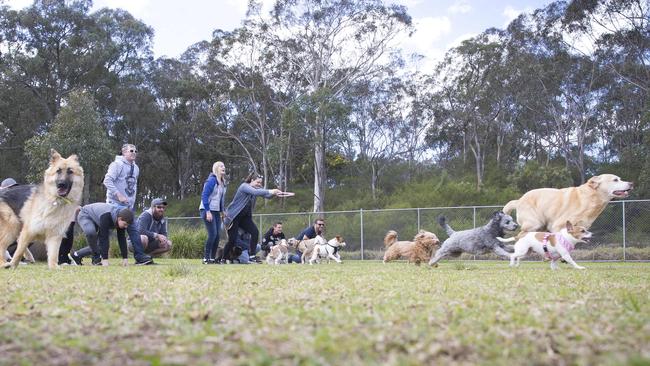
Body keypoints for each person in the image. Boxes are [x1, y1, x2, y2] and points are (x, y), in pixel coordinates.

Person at [103, 143, 153, 265]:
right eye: (131, 151)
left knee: (133, 230)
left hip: (128, 206)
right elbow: (107, 180)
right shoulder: (116, 165)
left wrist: (131, 202)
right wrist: (118, 195)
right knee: (105, 232)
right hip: (114, 204)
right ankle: (96, 256)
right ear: (124, 152)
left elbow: (133, 187)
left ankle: (140, 257)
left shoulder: (136, 168)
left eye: (136, 151)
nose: (134, 153)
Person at [219, 172, 281, 264]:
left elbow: (266, 195)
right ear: (251, 180)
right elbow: (256, 192)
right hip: (233, 217)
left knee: (255, 232)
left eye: (260, 183)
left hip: (245, 218)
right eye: (258, 182)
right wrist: (271, 191)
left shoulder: (257, 188)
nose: (259, 185)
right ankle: (223, 259)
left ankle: (252, 256)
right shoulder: (244, 186)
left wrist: (275, 194)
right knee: (232, 240)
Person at [69, 203, 134, 266]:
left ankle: (76, 255)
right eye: (125, 224)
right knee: (91, 232)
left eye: (127, 225)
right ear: (119, 219)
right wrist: (105, 260)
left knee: (100, 246)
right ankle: (96, 259)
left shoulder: (120, 220)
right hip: (86, 214)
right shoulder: (107, 216)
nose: (126, 227)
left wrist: (125, 258)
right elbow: (104, 238)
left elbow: (122, 239)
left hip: (97, 219)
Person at [199, 162, 227, 264]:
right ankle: (206, 258)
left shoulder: (223, 182)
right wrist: (207, 211)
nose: (223, 167)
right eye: (221, 166)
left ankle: (212, 258)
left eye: (224, 166)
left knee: (217, 236)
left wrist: (222, 211)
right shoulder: (211, 180)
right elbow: (204, 196)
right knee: (212, 234)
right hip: (207, 210)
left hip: (216, 211)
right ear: (216, 169)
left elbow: (220, 199)